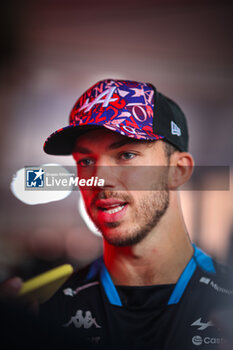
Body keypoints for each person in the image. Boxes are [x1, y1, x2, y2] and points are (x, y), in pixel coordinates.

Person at [2, 79, 233, 349]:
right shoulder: (47, 310)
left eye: (126, 155)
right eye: (86, 161)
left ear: (178, 171)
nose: (98, 178)